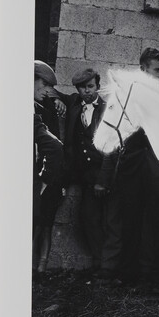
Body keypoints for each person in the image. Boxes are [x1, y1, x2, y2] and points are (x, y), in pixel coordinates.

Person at [117, 48, 159, 286]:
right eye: (157, 70)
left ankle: (154, 276)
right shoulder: (126, 94)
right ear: (143, 69)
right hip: (132, 168)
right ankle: (128, 275)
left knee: (157, 223)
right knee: (130, 220)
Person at [55, 68, 122, 277]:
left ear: (98, 86)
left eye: (90, 86)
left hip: (105, 174)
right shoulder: (74, 104)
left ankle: (110, 267)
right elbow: (55, 93)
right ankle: (100, 262)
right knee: (88, 218)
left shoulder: (107, 109)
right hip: (84, 176)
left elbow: (111, 147)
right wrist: (56, 101)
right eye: (82, 88)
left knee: (108, 221)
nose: (87, 91)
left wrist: (103, 179)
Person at [33, 60, 64, 273]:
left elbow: (54, 147)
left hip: (42, 179)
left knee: (42, 222)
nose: (47, 91)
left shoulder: (41, 109)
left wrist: (44, 179)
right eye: (43, 85)